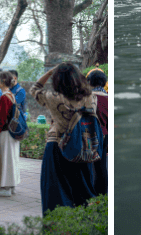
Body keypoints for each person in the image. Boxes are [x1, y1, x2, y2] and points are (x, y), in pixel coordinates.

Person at [32, 63, 98, 214]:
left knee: (55, 193)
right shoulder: (91, 97)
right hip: (83, 148)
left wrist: (49, 72)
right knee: (82, 193)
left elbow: (34, 89)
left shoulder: (53, 97)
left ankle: (57, 223)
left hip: (57, 146)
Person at [0, 71, 20, 197]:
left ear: (3, 82)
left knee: (4, 159)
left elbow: (1, 119)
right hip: (10, 133)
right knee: (10, 159)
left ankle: (5, 188)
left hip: (5, 133)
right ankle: (11, 186)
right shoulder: (11, 95)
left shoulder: (4, 97)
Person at [86, 69, 108, 196]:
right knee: (101, 166)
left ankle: (89, 194)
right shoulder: (109, 98)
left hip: (88, 135)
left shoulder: (87, 98)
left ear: (89, 82)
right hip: (105, 135)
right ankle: (102, 195)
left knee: (88, 166)